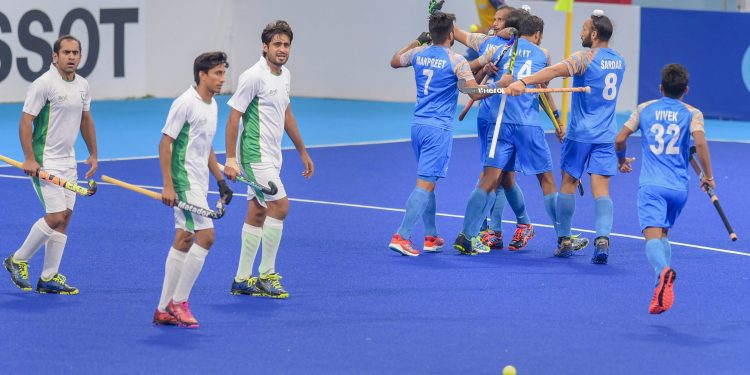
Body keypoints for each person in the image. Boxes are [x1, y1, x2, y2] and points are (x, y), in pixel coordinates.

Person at [506, 10, 625, 263]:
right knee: (602, 190)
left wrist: (522, 81)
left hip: (580, 133)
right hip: (606, 135)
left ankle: (564, 240)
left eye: (583, 29)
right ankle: (602, 238)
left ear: (594, 34)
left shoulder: (584, 58)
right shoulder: (619, 60)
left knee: (568, 184)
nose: (580, 33)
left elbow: (552, 72)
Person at [453, 15, 561, 254]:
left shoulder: (493, 45)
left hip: (499, 121)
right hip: (514, 122)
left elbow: (457, 35)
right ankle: (560, 236)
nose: (495, 21)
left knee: (498, 179)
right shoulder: (540, 53)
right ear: (537, 34)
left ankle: (481, 232)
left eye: (501, 20)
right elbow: (543, 88)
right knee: (505, 180)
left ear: (512, 28)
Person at [388, 11, 489, 256]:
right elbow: (473, 93)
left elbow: (394, 60)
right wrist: (502, 86)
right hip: (438, 130)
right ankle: (402, 236)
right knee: (425, 184)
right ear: (452, 34)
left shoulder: (418, 53)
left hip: (418, 127)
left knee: (427, 181)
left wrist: (417, 41)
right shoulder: (456, 61)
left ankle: (431, 236)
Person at [225, 20, 314, 299]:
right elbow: (234, 116)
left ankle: (241, 279)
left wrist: (302, 150)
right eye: (277, 44)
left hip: (273, 155)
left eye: (286, 44)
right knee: (281, 207)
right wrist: (230, 158)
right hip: (254, 156)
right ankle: (265, 275)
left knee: (257, 212)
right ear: (265, 47)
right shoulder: (252, 76)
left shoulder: (285, 75)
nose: (282, 49)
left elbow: (287, 114)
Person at [3, 35, 97, 295]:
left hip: (68, 161)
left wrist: (93, 153)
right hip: (45, 161)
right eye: (65, 52)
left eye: (75, 52)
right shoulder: (43, 84)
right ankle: (17, 260)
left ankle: (48, 278)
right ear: (54, 56)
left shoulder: (82, 85)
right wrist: (30, 158)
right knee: (55, 216)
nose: (71, 57)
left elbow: (86, 120)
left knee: (65, 218)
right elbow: (25, 122)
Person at [615, 64, 711, 314]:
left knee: (652, 237)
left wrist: (621, 160)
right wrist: (708, 176)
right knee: (664, 234)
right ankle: (661, 288)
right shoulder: (693, 113)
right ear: (686, 90)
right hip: (679, 188)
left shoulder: (645, 109)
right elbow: (699, 143)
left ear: (660, 87)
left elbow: (619, 139)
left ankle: (663, 273)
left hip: (652, 186)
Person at [153, 52, 233, 328]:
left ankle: (163, 309)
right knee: (207, 236)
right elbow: (165, 143)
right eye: (217, 74)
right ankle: (179, 302)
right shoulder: (185, 103)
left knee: (185, 238)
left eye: (223, 73)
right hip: (184, 180)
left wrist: (220, 180)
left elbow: (206, 145)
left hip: (201, 180)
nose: (222, 79)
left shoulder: (212, 105)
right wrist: (168, 184)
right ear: (202, 74)